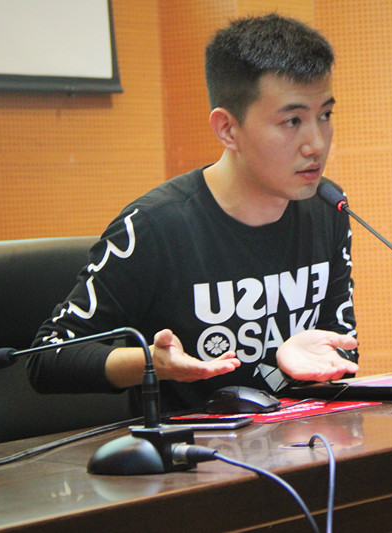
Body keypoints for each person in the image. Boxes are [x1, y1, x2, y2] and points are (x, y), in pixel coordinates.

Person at [27, 13, 359, 414]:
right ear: (227, 129)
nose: (317, 144)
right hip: (192, 449)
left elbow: (343, 347)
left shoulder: (326, 208)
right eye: (292, 121)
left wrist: (313, 359)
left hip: (303, 439)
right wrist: (153, 363)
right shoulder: (153, 228)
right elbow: (48, 358)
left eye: (325, 115)